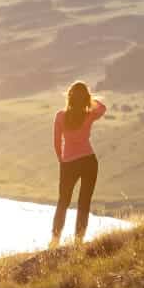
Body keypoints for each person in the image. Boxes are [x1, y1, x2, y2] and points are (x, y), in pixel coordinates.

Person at [50, 81, 106, 248]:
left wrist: (62, 160)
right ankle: (78, 241)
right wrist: (88, 99)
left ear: (69, 97)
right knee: (84, 202)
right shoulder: (89, 114)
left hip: (68, 163)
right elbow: (102, 108)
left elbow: (56, 143)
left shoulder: (60, 116)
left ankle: (55, 240)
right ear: (85, 99)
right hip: (89, 161)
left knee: (63, 202)